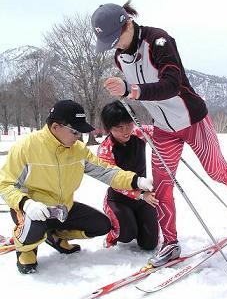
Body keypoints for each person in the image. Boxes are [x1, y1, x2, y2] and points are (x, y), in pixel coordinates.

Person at [91, 1, 227, 267]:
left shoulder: (159, 41)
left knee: (215, 170)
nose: (115, 46)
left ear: (128, 23)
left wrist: (132, 89)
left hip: (192, 119)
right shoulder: (120, 57)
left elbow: (172, 84)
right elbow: (139, 91)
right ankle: (170, 243)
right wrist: (125, 91)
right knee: (162, 186)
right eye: (109, 42)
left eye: (115, 38)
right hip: (164, 129)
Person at [0, 99, 156, 274]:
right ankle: (26, 249)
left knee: (102, 225)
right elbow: (5, 184)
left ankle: (54, 236)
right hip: (31, 208)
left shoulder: (78, 149)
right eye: (75, 132)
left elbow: (106, 171)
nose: (78, 137)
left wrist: (136, 181)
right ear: (55, 127)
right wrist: (26, 204)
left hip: (62, 208)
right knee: (35, 223)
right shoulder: (26, 147)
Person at [97, 100, 159, 250]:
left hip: (143, 196)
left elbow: (160, 130)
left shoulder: (138, 133)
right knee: (127, 234)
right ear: (108, 128)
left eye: (129, 124)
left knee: (149, 244)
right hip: (119, 199)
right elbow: (114, 181)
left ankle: (137, 224)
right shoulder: (105, 150)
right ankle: (114, 232)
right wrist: (141, 195)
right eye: (119, 127)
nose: (126, 131)